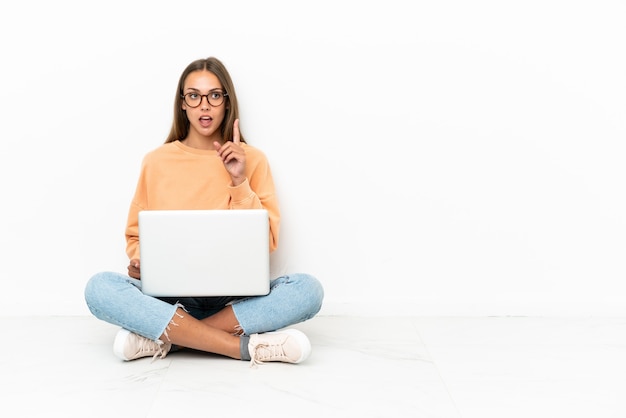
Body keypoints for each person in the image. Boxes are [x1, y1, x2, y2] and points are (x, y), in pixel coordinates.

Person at [84, 57, 324, 366]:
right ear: (182, 104)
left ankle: (168, 339)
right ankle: (241, 347)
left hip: (234, 302)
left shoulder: (253, 160)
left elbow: (265, 243)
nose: (204, 106)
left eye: (214, 95)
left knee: (307, 290)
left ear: (227, 101)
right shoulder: (156, 161)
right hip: (170, 299)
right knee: (99, 288)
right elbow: (135, 235)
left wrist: (239, 180)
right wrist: (141, 259)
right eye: (194, 96)